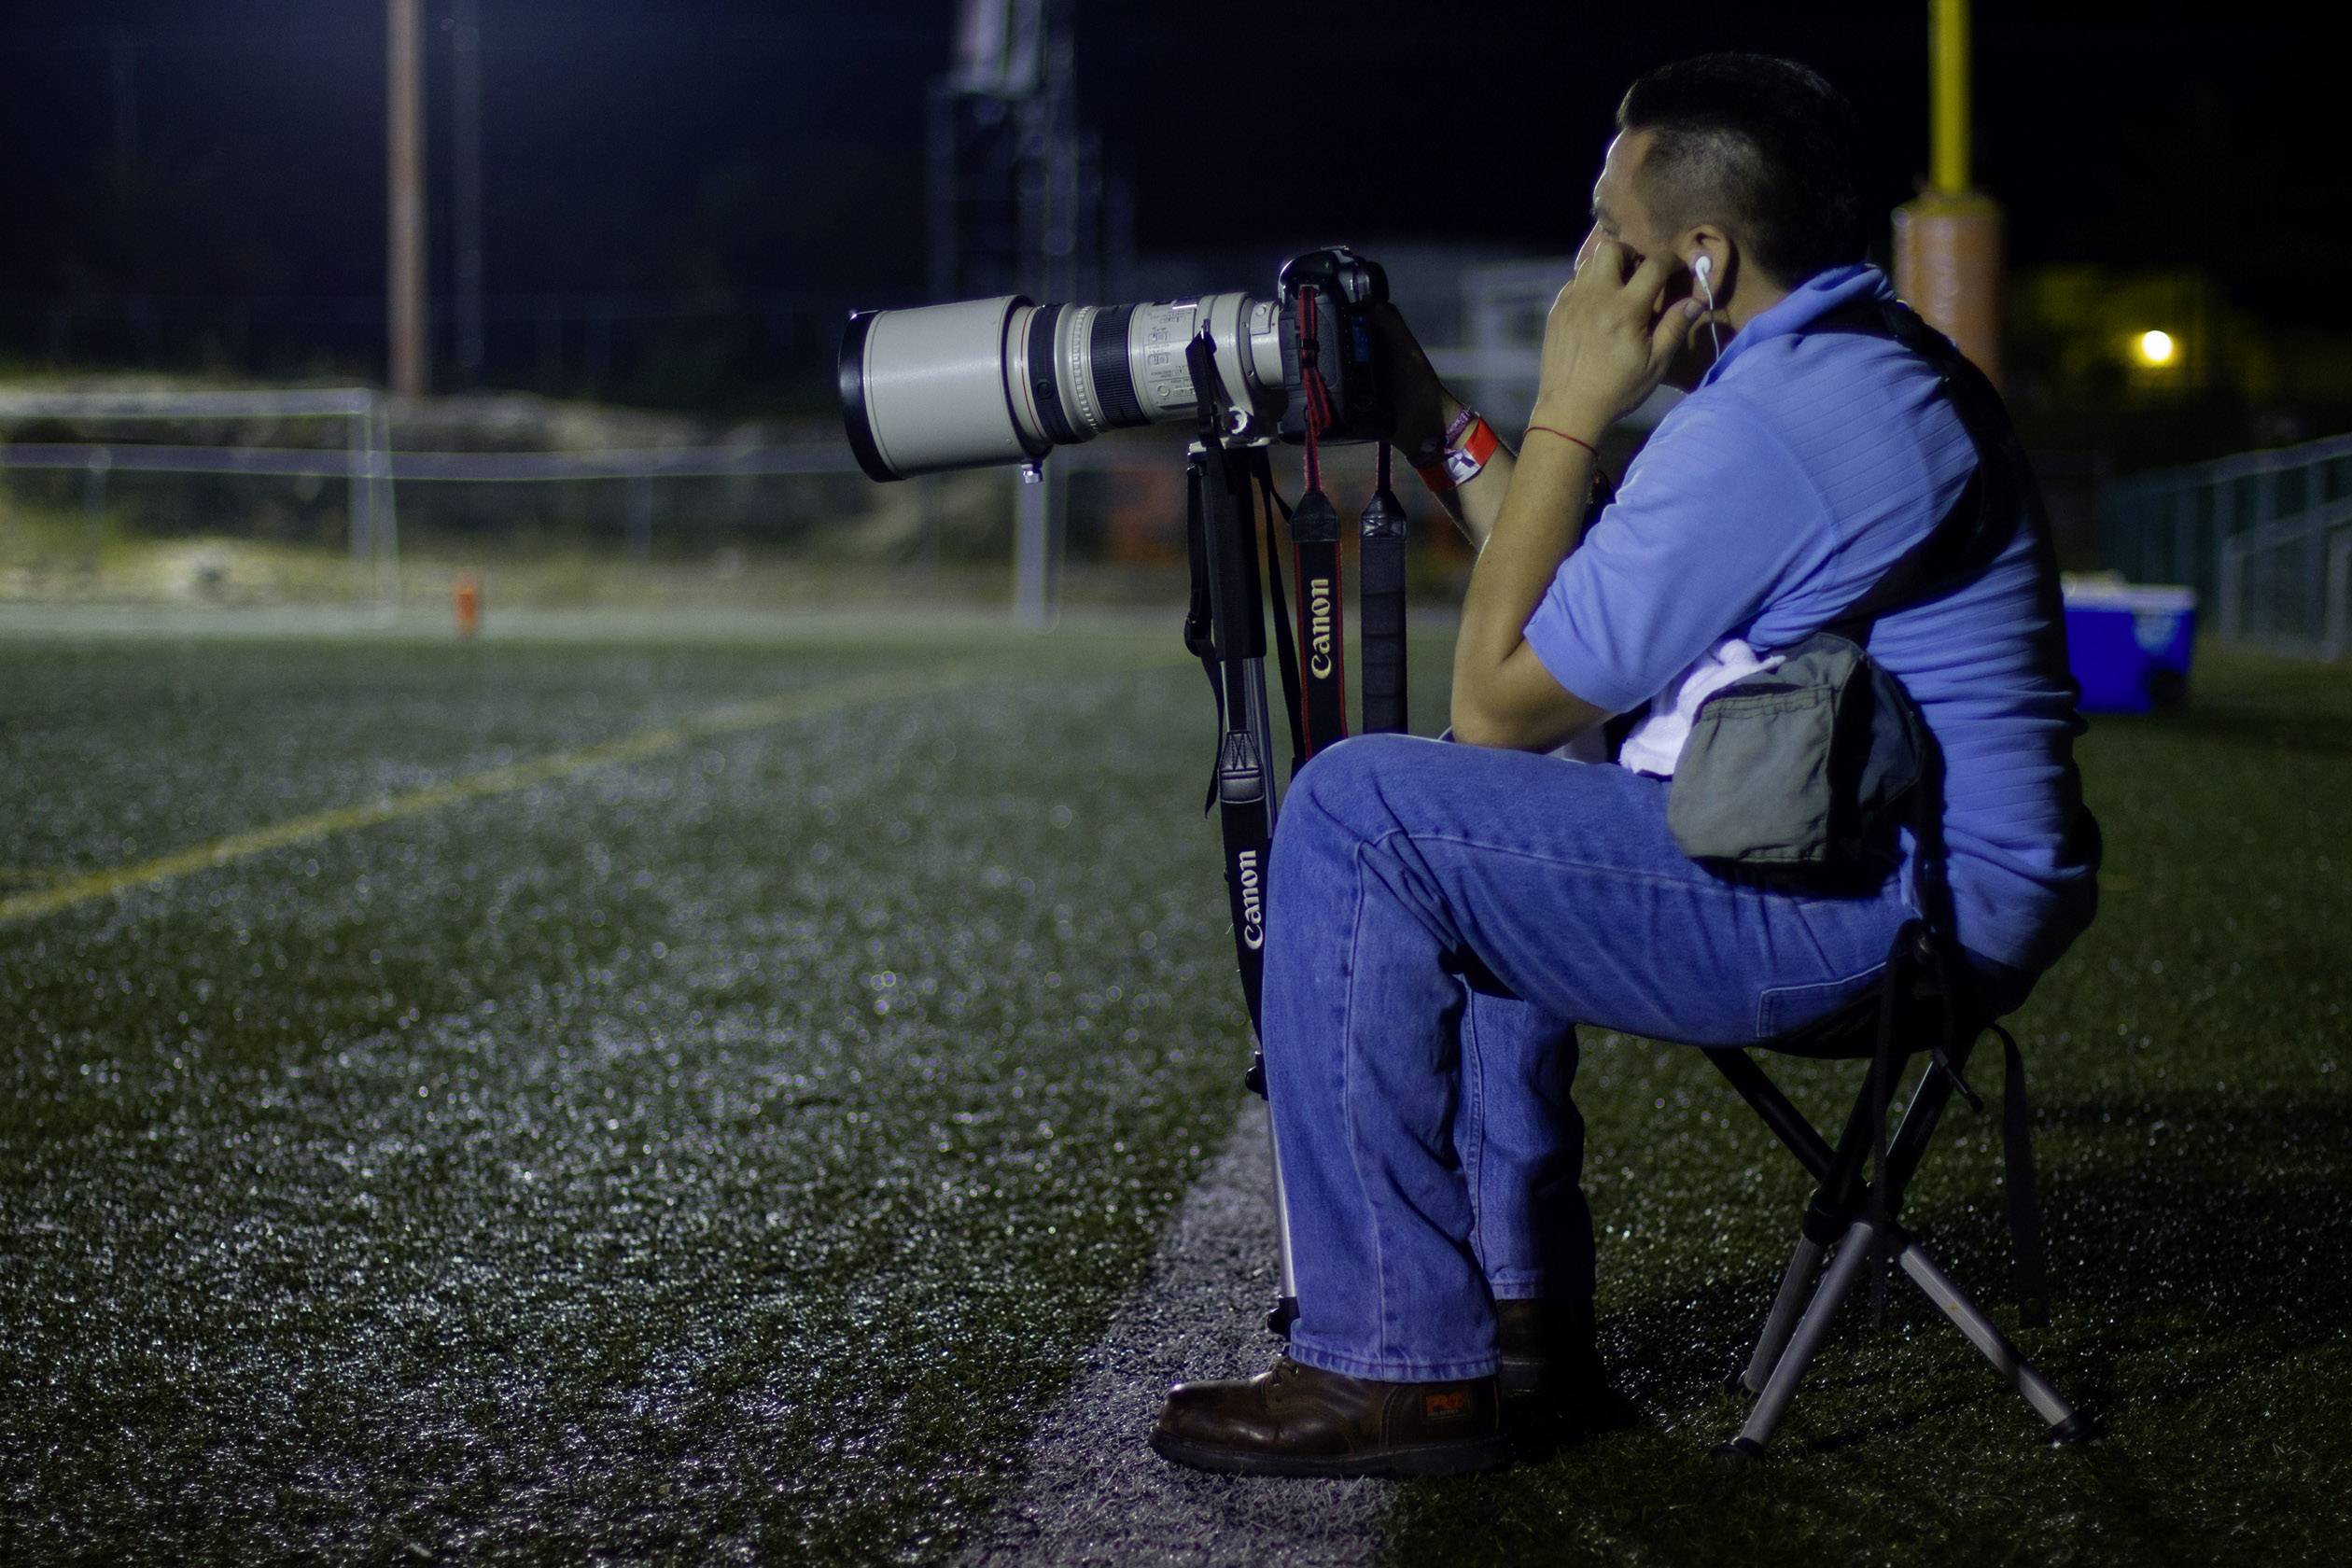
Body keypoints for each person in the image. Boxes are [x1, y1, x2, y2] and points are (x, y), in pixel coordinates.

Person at [1149, 52, 2097, 1478]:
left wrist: (1571, 400)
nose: (1588, 264)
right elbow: (1585, 599)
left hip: (1887, 916)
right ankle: (1519, 1316)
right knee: (1507, 821)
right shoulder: (1842, 370)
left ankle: (1391, 1360)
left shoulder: (1782, 425)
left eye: (1612, 232)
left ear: (1699, 259)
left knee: (1362, 811)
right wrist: (1431, 425)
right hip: (1904, 877)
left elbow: (1494, 703)